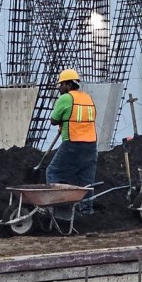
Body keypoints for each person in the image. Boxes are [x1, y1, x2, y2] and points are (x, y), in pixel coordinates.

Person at [46, 68, 98, 214]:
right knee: (86, 178)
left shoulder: (65, 98)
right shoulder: (88, 98)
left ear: (69, 84)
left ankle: (57, 208)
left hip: (72, 143)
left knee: (53, 172)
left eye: (61, 85)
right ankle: (86, 211)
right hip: (91, 145)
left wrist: (63, 121)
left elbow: (54, 120)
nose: (59, 88)